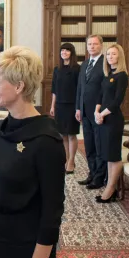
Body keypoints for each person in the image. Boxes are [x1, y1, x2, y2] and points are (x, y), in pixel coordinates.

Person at [0, 46, 65, 258]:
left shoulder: (46, 140)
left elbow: (52, 212)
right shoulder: (0, 130)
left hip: (27, 249)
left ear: (18, 86)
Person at [94, 44, 129, 203]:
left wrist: (102, 114)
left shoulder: (122, 76)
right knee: (107, 154)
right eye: (108, 54)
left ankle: (110, 189)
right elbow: (101, 96)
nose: (110, 57)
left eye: (113, 54)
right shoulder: (108, 75)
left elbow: (116, 102)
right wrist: (96, 112)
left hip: (113, 120)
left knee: (113, 155)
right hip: (103, 118)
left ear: (119, 56)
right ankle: (110, 186)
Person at [75, 35, 106, 189]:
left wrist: (100, 109)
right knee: (89, 144)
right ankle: (92, 173)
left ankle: (99, 178)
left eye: (95, 44)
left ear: (101, 45)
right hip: (85, 111)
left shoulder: (106, 63)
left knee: (99, 144)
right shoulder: (85, 64)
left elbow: (105, 89)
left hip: (98, 111)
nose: (92, 47)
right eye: (89, 44)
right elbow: (80, 88)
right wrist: (78, 108)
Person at [50, 43, 81, 174]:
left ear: (71, 53)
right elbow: (54, 90)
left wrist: (78, 108)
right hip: (59, 106)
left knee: (71, 134)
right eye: (62, 50)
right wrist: (52, 106)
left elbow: (80, 90)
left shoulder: (77, 69)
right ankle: (67, 159)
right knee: (63, 134)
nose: (64, 52)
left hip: (72, 105)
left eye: (67, 51)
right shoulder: (57, 69)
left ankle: (72, 161)